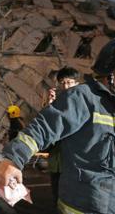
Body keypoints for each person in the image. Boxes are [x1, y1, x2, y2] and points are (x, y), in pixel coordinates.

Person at [0, 34, 115, 214]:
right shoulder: (82, 98)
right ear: (109, 69)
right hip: (84, 208)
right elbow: (43, 129)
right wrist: (13, 159)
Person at [45, 66, 80, 210]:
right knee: (57, 198)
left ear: (77, 83)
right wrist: (50, 106)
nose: (66, 86)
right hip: (56, 162)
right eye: (63, 82)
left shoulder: (82, 104)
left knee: (73, 200)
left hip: (74, 163)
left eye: (70, 82)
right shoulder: (56, 102)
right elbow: (49, 129)